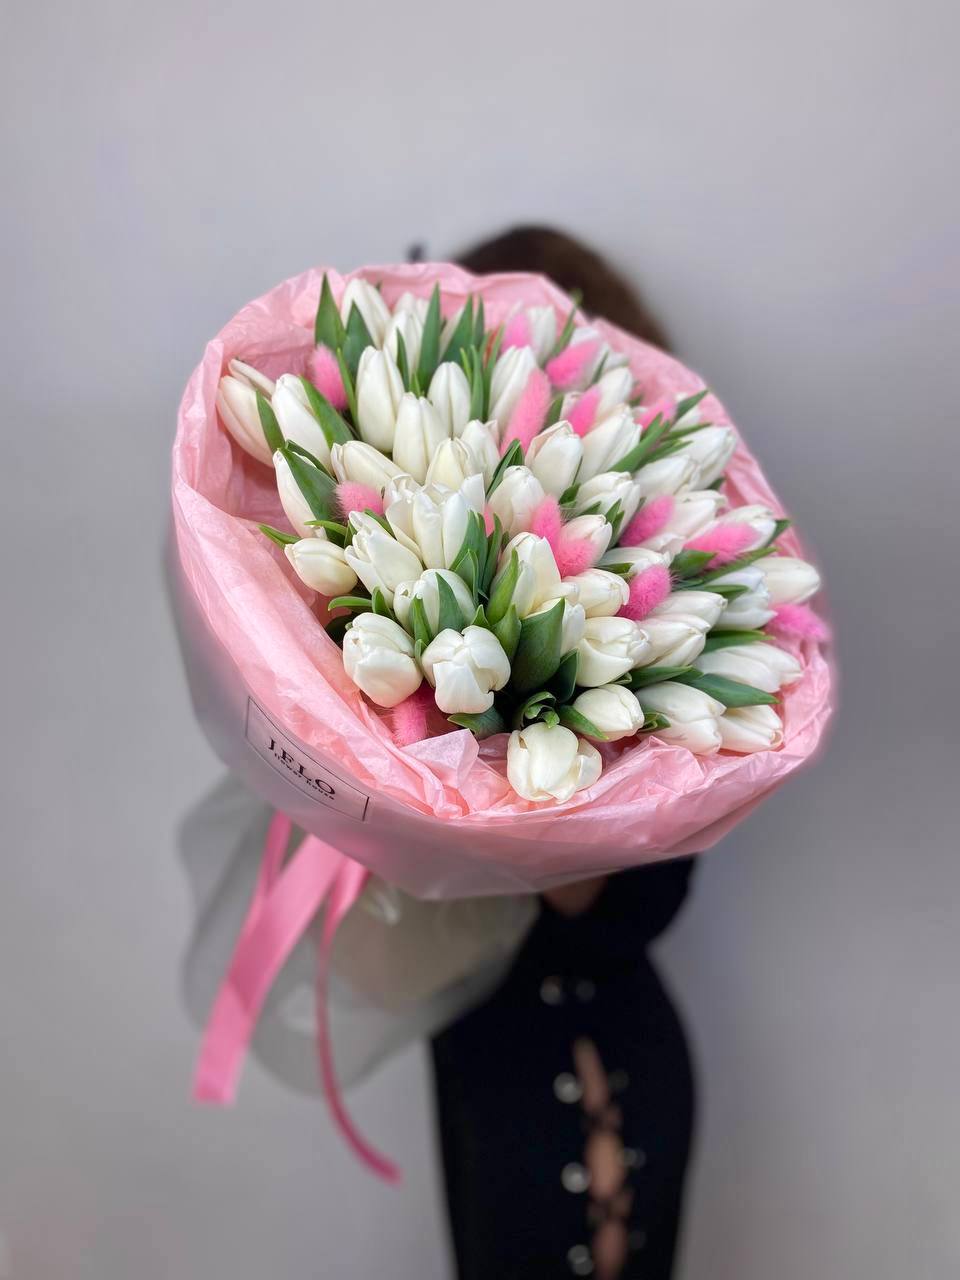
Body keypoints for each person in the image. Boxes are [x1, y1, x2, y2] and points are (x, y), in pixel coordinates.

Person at [429, 227, 697, 1280]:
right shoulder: (437, 574)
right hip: (479, 1036)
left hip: (590, 1050)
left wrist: (522, 747)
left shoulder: (660, 598)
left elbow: (604, 904)